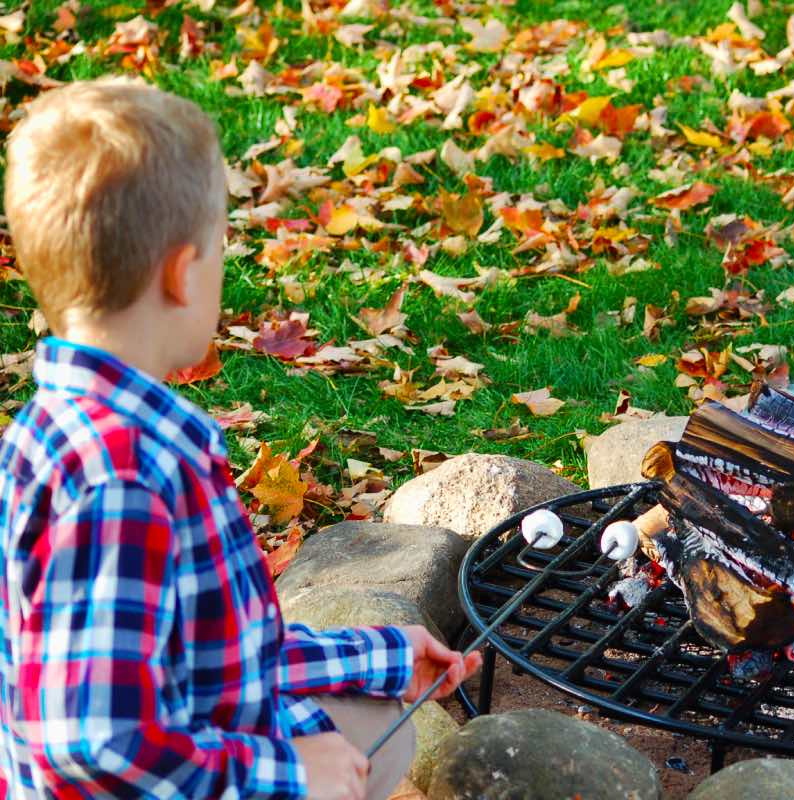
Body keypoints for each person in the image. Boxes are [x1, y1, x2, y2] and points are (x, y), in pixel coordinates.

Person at [0, 79, 481, 799]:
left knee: (378, 730)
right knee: (350, 754)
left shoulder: (56, 429)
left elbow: (210, 657)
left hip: (186, 730)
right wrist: (287, 773)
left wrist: (380, 655)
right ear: (181, 273)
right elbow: (95, 740)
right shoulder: (125, 478)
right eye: (220, 246)